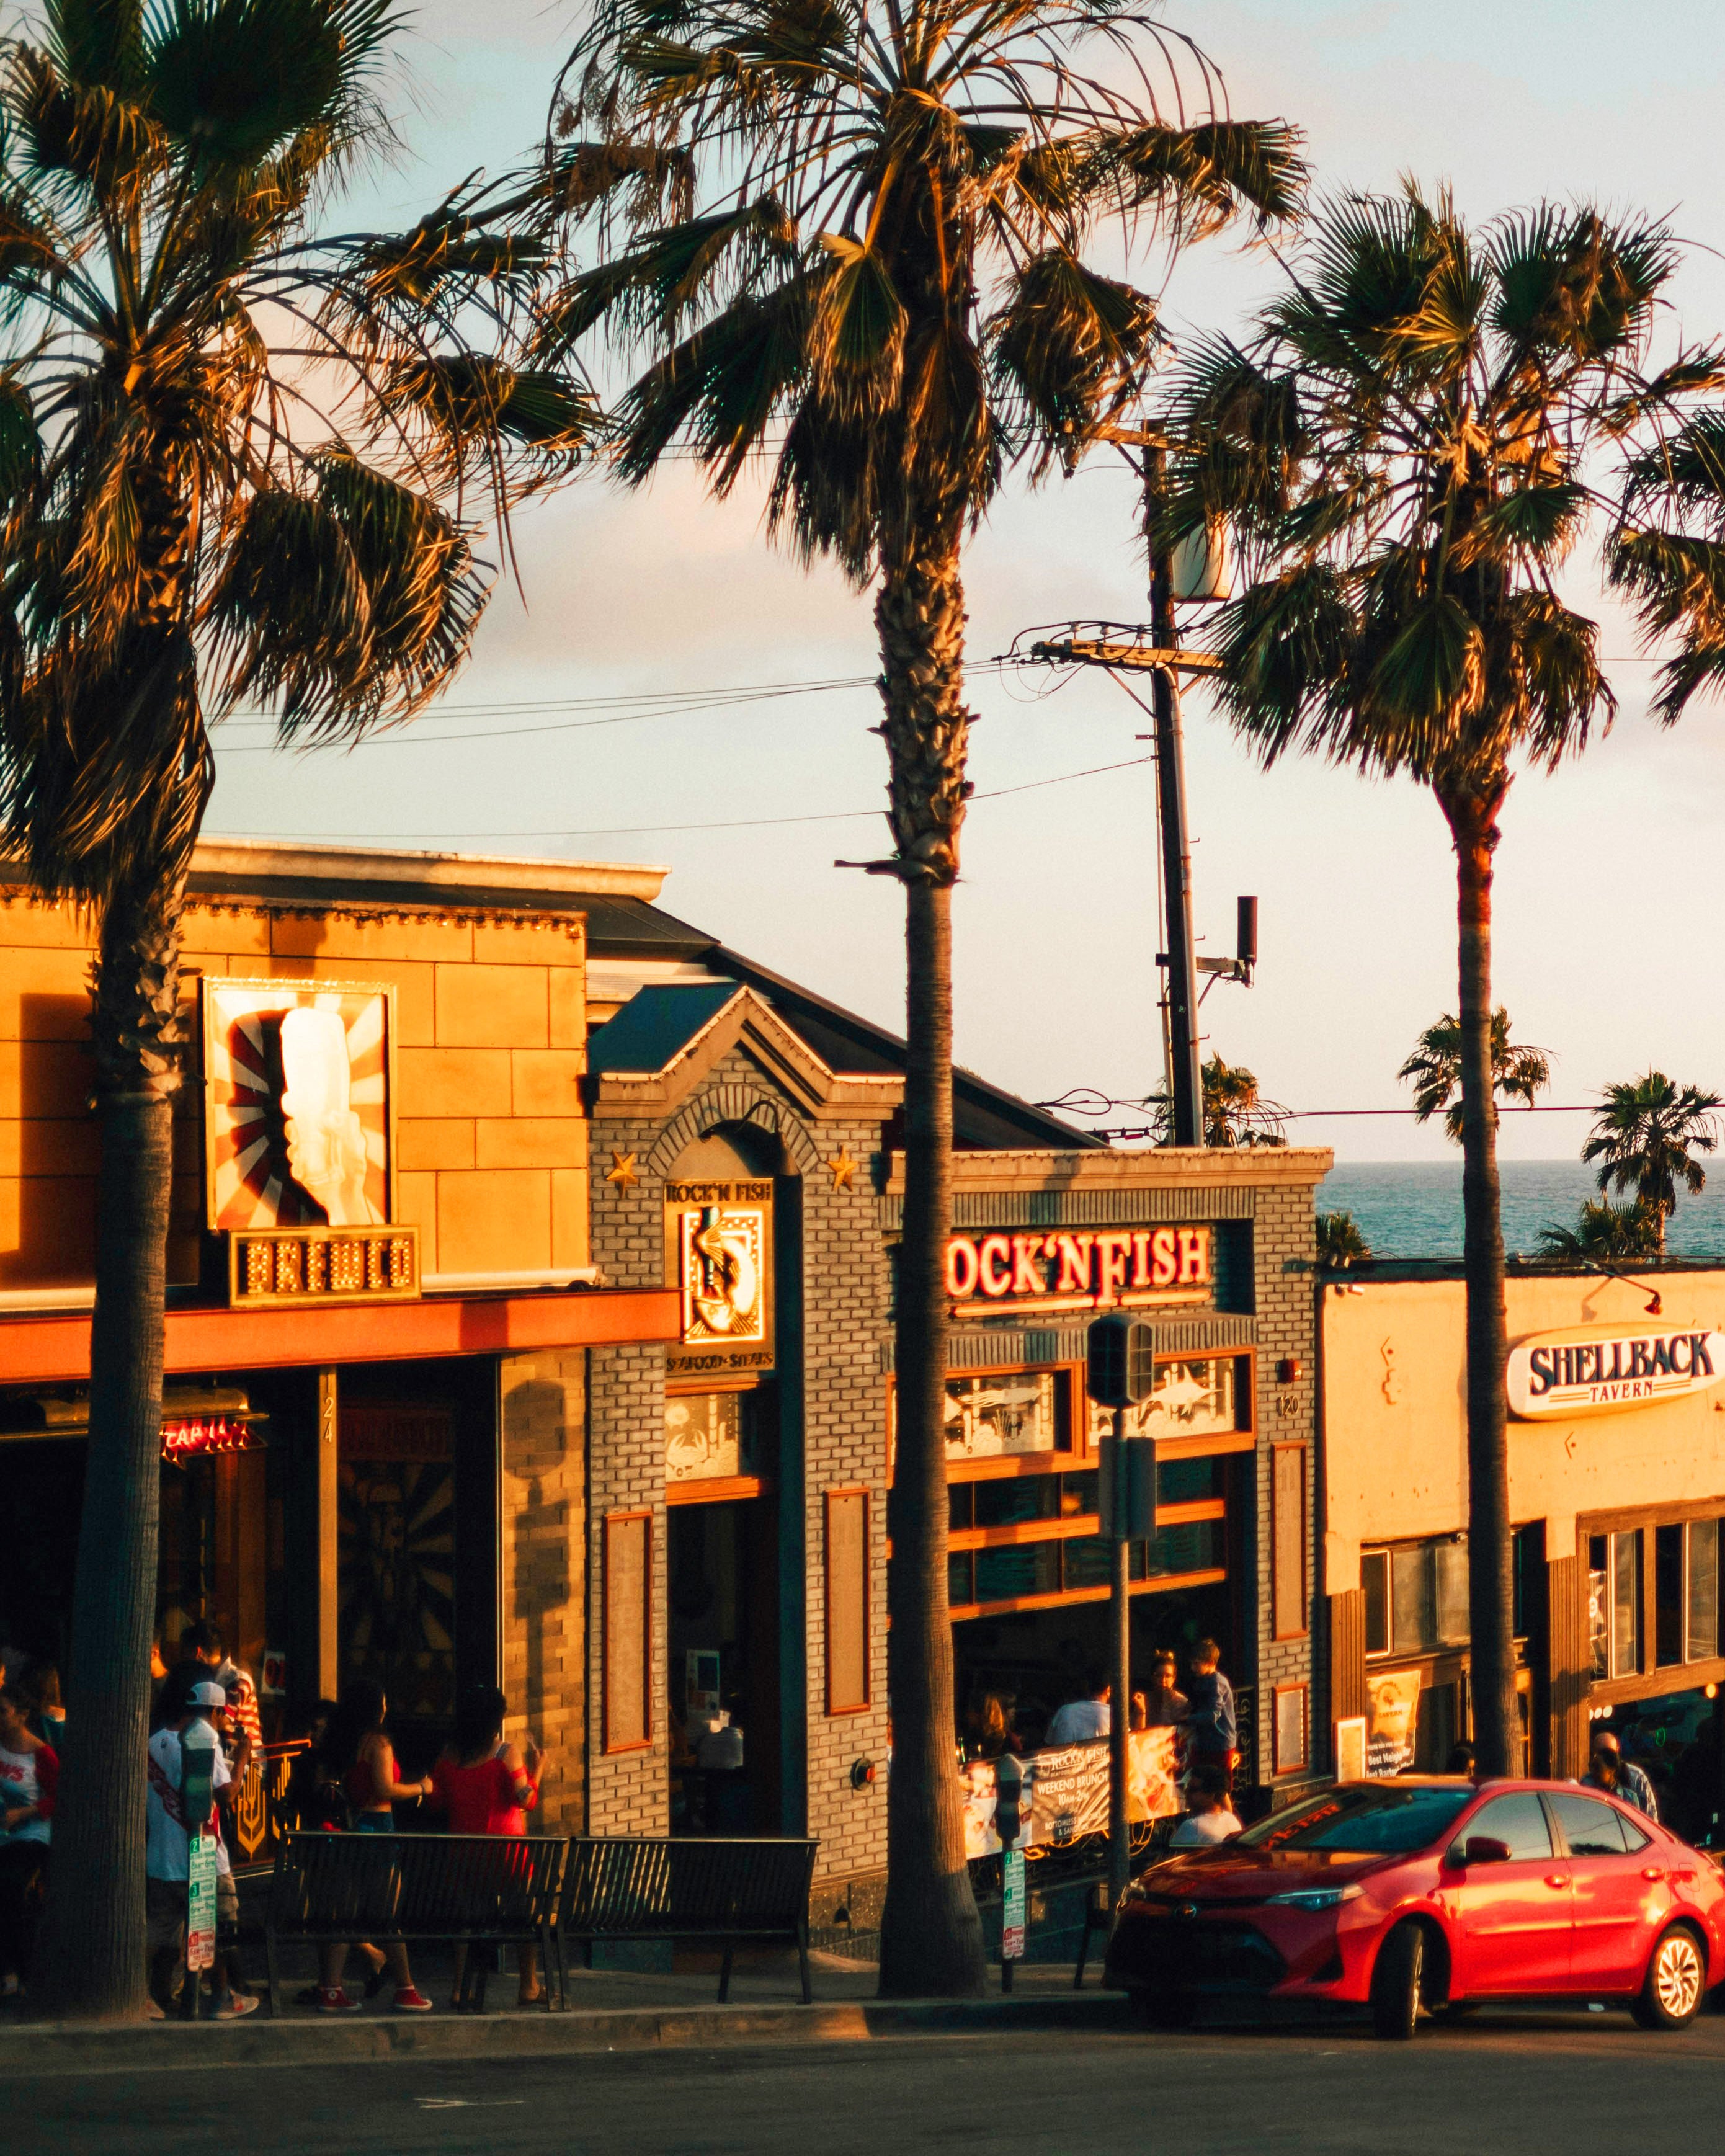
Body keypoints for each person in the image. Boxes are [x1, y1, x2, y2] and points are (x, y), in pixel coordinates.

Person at [313, 1679, 434, 2013]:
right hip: (378, 1830)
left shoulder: (341, 1740)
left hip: (348, 1831)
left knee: (344, 1913)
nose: (386, 1707)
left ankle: (332, 1989)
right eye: (383, 1702)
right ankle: (405, 1988)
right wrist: (421, 1787)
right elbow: (385, 1789)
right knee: (388, 1914)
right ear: (376, 1708)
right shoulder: (378, 1742)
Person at [145, 1680, 257, 2019]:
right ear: (216, 1711)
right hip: (203, 1856)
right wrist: (242, 1757)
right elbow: (227, 1793)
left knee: (162, 1934)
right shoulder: (206, 1738)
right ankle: (222, 1998)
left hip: (162, 1859)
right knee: (217, 1929)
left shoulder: (154, 1741)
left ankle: (155, 1996)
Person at [430, 1685, 546, 2007]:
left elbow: (436, 1801)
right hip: (506, 1855)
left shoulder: (449, 1756)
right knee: (523, 1916)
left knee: (466, 1922)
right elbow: (527, 1800)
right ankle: (529, 1986)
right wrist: (538, 1770)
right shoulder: (505, 1753)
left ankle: (459, 1988)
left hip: (464, 1856)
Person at [0, 1684, 56, 2002]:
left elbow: (59, 1796)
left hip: (31, 1836)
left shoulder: (40, 1754)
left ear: (22, 1715)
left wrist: (25, 1812)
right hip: (3, 1833)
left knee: (11, 1891)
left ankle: (19, 1973)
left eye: (3, 1712)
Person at [181, 1621, 262, 1756]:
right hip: (222, 1760)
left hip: (248, 1763)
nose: (183, 1662)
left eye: (185, 1654)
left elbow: (219, 1720)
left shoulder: (238, 1680)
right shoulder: (208, 1680)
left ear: (197, 1653)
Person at [1186, 1641, 1237, 1789]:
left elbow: (1213, 1715)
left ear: (1210, 1663)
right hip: (1206, 1742)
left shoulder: (1217, 1682)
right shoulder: (1202, 1681)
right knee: (1204, 1784)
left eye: (1196, 1664)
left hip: (1220, 1743)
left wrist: (1188, 1719)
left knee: (1220, 1786)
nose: (1192, 1668)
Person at [1585, 1729, 1659, 1820]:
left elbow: (1650, 1817)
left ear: (1617, 1751)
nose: (1605, 1759)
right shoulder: (1587, 1782)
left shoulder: (1637, 1778)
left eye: (1610, 1755)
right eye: (1601, 1754)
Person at [1169, 1767, 1242, 1848]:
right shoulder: (1232, 1820)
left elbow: (1173, 1853)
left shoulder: (1192, 1827)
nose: (1186, 1792)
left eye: (1193, 1789)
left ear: (1212, 1796)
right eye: (1187, 1788)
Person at [1046, 1670, 1110, 1747]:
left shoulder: (1064, 1711)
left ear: (1087, 1687)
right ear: (1108, 1690)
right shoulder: (1113, 1716)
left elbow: (1048, 1744)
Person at [1141, 1653, 1189, 1729]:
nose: (1163, 1680)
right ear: (1153, 1677)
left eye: (1168, 1676)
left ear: (1174, 1678)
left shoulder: (1181, 1703)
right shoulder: (1144, 1700)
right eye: (1159, 1676)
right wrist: (1141, 1712)